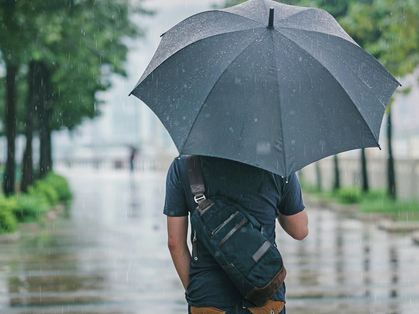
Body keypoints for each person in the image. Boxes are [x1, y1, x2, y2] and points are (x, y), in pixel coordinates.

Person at [164, 155, 308, 314]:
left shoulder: (185, 164)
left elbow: (175, 243)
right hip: (264, 295)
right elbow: (299, 230)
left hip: (208, 298)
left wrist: (198, 293)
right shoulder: (278, 164)